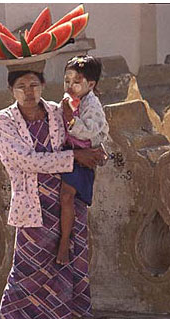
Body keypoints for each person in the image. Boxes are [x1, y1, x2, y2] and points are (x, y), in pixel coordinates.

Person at [0, 60, 106, 319]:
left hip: (67, 203)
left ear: (43, 85)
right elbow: (24, 160)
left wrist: (94, 153)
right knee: (23, 274)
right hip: (32, 208)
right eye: (21, 86)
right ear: (11, 90)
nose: (28, 91)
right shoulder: (3, 120)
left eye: (34, 85)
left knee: (64, 271)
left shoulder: (57, 111)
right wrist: (74, 157)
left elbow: (85, 135)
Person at [57, 55, 109, 265]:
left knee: (67, 197)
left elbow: (88, 131)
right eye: (67, 81)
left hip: (82, 160)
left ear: (91, 84)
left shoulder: (92, 105)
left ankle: (64, 243)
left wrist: (70, 118)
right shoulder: (70, 100)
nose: (70, 86)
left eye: (77, 82)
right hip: (70, 155)